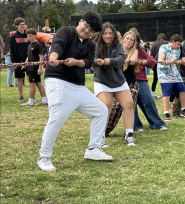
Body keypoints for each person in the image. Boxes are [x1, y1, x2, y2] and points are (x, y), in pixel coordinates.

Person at [38, 11, 112, 172]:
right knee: (57, 118)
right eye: (85, 27)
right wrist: (53, 57)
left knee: (100, 111)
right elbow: (58, 45)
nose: (86, 31)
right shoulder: (66, 31)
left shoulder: (90, 44)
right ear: (80, 22)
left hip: (78, 86)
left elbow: (88, 62)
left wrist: (77, 62)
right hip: (57, 81)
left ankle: (94, 149)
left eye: (90, 31)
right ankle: (44, 157)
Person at [93, 26, 138, 147]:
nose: (108, 36)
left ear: (114, 34)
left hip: (118, 81)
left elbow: (121, 59)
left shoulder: (118, 45)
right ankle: (100, 137)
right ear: (101, 34)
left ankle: (129, 135)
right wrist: (97, 61)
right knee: (106, 105)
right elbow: (92, 61)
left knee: (129, 103)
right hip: (102, 82)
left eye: (110, 33)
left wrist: (109, 61)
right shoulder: (96, 45)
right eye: (105, 33)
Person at [133, 36, 167, 131]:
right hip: (126, 81)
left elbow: (151, 60)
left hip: (141, 79)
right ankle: (136, 125)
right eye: (129, 39)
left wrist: (145, 61)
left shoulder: (141, 52)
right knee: (131, 103)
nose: (132, 42)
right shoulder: (122, 50)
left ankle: (157, 123)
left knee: (148, 99)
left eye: (135, 41)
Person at [157, 34, 185, 121]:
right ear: (173, 42)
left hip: (174, 73)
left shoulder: (178, 50)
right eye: (178, 44)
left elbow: (173, 59)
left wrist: (168, 62)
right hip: (163, 73)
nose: (180, 46)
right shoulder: (163, 47)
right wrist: (162, 61)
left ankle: (183, 109)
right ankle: (166, 113)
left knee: (182, 89)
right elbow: (161, 57)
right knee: (167, 92)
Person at [20, 28, 48, 106]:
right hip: (29, 68)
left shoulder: (37, 45)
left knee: (31, 84)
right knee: (38, 83)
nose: (28, 38)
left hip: (34, 68)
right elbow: (28, 56)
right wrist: (25, 64)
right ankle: (44, 100)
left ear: (35, 35)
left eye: (30, 36)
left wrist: (40, 68)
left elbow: (41, 57)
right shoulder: (29, 45)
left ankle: (30, 102)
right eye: (28, 36)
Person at [10, 17, 29, 102]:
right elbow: (12, 50)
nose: (23, 26)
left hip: (29, 60)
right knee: (20, 79)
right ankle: (21, 96)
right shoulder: (13, 37)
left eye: (23, 24)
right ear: (17, 26)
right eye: (21, 24)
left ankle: (32, 96)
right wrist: (13, 62)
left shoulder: (28, 35)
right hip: (18, 61)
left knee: (30, 78)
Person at [150, 33, 168, 98]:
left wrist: (152, 64)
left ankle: (153, 92)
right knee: (166, 79)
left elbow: (151, 55)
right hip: (165, 63)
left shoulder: (154, 44)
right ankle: (166, 93)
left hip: (156, 63)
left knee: (155, 79)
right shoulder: (167, 43)